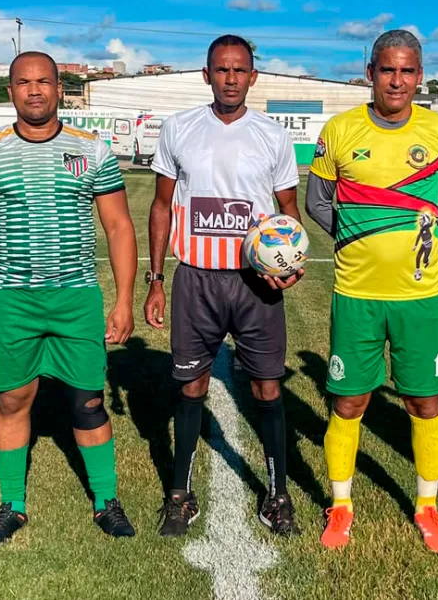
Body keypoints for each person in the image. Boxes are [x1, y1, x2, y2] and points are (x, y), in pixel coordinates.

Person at [0, 51, 138, 544]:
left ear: (59, 89)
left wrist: (123, 300)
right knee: (13, 399)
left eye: (44, 81)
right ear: (10, 91)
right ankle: (12, 504)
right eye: (24, 82)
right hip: (12, 299)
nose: (34, 90)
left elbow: (118, 226)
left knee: (88, 400)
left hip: (76, 297)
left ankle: (106, 500)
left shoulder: (91, 150)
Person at [305, 29, 438, 551]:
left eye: (406, 71)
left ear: (420, 76)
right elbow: (317, 202)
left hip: (418, 299)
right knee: (348, 403)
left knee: (425, 403)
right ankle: (340, 507)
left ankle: (427, 507)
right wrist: (356, 238)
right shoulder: (340, 129)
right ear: (370, 73)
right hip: (356, 294)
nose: (396, 80)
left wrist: (429, 231)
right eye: (387, 70)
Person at [146, 35, 303, 537]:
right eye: (221, 69)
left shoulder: (273, 135)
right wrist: (155, 280)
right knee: (191, 384)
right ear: (206, 74)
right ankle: (180, 493)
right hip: (196, 279)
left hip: (256, 285)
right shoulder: (178, 128)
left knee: (267, 386)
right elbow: (161, 206)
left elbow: (288, 210)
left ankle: (277, 494)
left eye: (239, 70)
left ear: (253, 77)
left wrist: (292, 261)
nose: (230, 78)